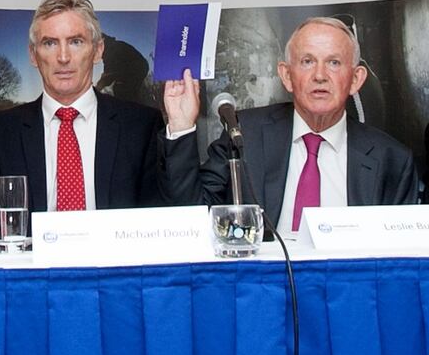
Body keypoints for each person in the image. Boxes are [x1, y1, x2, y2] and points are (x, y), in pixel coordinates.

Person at [0, 0, 168, 229]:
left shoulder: (141, 126)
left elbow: (161, 225)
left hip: (114, 270)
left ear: (98, 51)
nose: (63, 57)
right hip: (29, 272)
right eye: (50, 43)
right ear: (33, 55)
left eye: (76, 41)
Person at [162, 17, 419, 235]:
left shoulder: (392, 160)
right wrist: (181, 124)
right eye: (307, 61)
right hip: (262, 289)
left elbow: (400, 262)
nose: (320, 75)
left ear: (355, 79)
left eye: (334, 62)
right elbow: (192, 217)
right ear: (286, 75)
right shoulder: (244, 134)